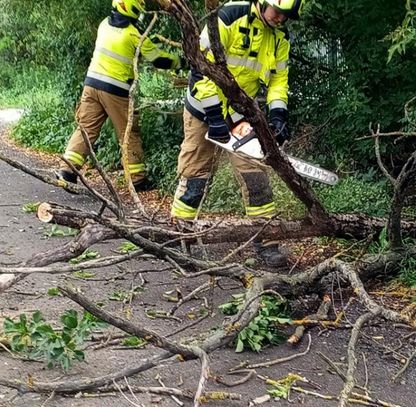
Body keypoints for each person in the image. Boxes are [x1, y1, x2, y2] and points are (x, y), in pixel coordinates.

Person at [170, 0, 304, 267]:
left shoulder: (279, 37)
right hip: (202, 108)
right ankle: (178, 237)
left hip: (239, 114)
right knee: (195, 176)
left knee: (255, 175)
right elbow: (200, 68)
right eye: (278, 12)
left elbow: (279, 79)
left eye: (286, 16)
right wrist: (214, 116)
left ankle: (266, 241)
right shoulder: (229, 17)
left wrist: (278, 114)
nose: (281, 19)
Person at [57, 0, 181, 191]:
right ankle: (137, 179)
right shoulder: (133, 34)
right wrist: (181, 62)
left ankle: (67, 170)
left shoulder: (104, 24)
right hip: (115, 90)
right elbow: (159, 59)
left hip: (91, 85)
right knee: (128, 132)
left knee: (86, 128)